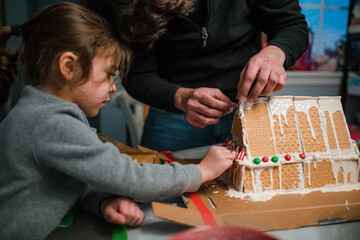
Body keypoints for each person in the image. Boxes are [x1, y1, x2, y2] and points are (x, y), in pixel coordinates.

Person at [0, 2, 234, 239]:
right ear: (68, 67)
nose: (113, 88)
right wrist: (200, 172)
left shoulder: (44, 112)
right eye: (108, 75)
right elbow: (129, 177)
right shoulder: (51, 122)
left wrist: (102, 201)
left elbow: (73, 178)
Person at [86, 0, 309, 152]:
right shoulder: (119, 6)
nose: (167, 4)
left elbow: (292, 25)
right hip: (173, 116)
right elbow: (136, 74)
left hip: (250, 110)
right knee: (163, 203)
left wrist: (275, 52)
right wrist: (180, 97)